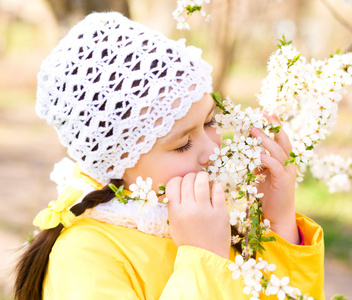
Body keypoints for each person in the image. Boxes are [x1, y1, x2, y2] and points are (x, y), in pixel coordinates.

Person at [14, 12, 324, 300]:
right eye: (182, 144)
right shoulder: (84, 258)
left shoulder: (213, 214)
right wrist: (203, 258)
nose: (213, 149)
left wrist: (278, 223)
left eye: (210, 122)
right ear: (114, 161)